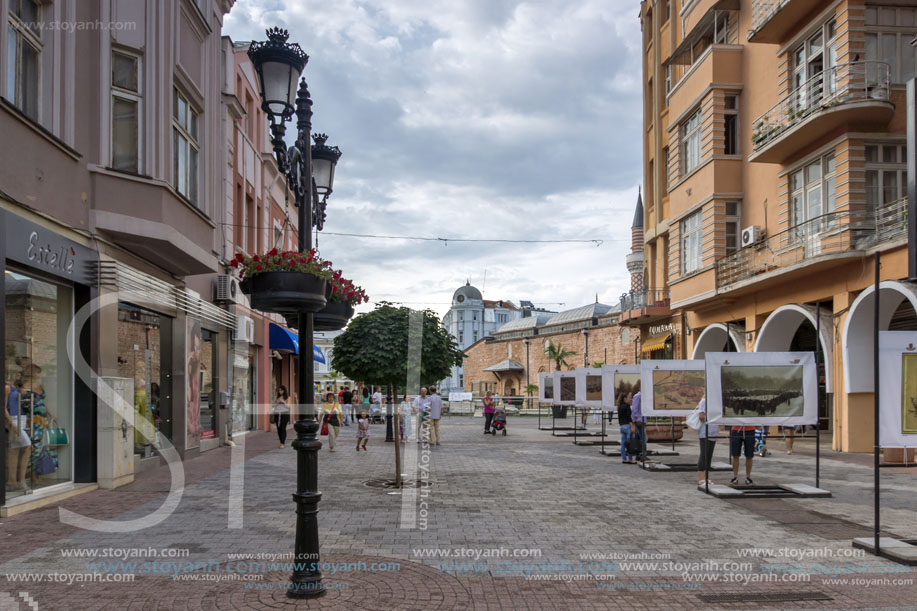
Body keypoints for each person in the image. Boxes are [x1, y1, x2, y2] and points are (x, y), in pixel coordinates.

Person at [5, 371, 31, 491]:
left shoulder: (16, 387)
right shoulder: (7, 387)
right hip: (14, 420)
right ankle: (21, 481)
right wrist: (11, 423)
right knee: (28, 446)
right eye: (15, 374)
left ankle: (12, 481)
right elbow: (3, 406)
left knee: (14, 450)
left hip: (22, 419)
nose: (18, 376)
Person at [696, 397, 720, 487]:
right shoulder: (704, 401)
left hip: (714, 431)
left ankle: (707, 477)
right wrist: (713, 416)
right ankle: (701, 478)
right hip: (705, 431)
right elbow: (701, 416)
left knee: (709, 455)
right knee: (704, 454)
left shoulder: (717, 401)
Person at [618, 392, 635, 464]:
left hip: (622, 426)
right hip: (628, 426)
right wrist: (632, 426)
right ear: (625, 399)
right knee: (630, 443)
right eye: (629, 397)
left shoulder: (619, 406)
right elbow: (629, 417)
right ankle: (630, 459)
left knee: (623, 444)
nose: (630, 399)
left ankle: (624, 458)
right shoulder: (627, 406)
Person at [630, 381, 645, 460]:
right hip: (639, 420)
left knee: (640, 437)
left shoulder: (643, 396)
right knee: (643, 438)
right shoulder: (638, 396)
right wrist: (638, 418)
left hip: (642, 420)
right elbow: (635, 409)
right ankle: (642, 454)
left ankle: (639, 454)